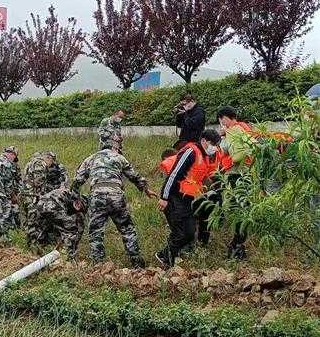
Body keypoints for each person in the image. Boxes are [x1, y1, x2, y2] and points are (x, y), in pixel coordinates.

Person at [72, 143, 156, 268]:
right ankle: (137, 263)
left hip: (97, 196)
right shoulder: (119, 157)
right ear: (114, 148)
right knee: (127, 229)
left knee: (96, 232)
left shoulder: (90, 158)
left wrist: (76, 198)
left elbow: (77, 180)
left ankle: (98, 265)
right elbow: (134, 176)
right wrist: (146, 189)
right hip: (116, 195)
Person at [155, 129, 221, 268]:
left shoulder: (205, 157)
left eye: (216, 144)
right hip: (175, 196)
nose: (214, 147)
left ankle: (165, 255)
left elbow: (205, 178)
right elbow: (174, 174)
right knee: (181, 231)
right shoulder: (191, 151)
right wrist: (164, 197)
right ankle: (167, 259)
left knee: (189, 233)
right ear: (204, 141)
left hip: (187, 199)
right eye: (213, 144)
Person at [217, 106, 253, 259]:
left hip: (236, 175)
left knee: (239, 210)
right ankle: (237, 245)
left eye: (221, 119)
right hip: (247, 174)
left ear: (225, 117)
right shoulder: (244, 128)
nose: (221, 123)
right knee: (242, 209)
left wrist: (223, 135)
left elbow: (225, 151)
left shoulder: (233, 130)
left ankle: (236, 246)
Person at [36, 188, 87, 259]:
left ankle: (39, 250)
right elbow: (77, 228)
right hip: (53, 206)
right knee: (71, 230)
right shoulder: (73, 197)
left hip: (40, 206)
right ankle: (69, 258)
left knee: (46, 228)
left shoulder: (69, 193)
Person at [22, 152, 55, 249]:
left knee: (29, 221)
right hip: (33, 197)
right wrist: (42, 196)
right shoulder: (40, 163)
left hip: (27, 195)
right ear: (48, 158)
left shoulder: (30, 163)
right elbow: (38, 181)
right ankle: (34, 246)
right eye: (51, 162)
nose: (50, 165)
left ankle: (28, 245)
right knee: (34, 221)